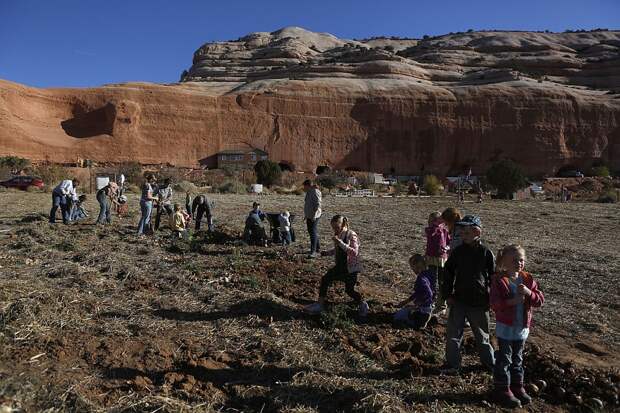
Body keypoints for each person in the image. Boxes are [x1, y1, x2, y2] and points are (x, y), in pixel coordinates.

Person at [490, 245, 544, 408]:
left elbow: (539, 301)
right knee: (505, 358)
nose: (519, 263)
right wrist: (511, 302)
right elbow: (494, 304)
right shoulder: (499, 280)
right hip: (505, 328)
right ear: (504, 262)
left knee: (517, 359)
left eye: (521, 260)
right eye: (514, 260)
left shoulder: (528, 279)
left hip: (521, 329)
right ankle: (503, 389)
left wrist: (529, 292)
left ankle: (517, 387)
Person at [441, 215, 495, 374]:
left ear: (477, 232)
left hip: (480, 301)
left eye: (466, 231)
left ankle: (489, 363)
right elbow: (448, 273)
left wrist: (493, 299)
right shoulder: (457, 252)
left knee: (482, 336)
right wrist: (447, 294)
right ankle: (453, 364)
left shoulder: (485, 253)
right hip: (458, 299)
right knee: (453, 334)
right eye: (461, 231)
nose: (462, 234)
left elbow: (493, 277)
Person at [305, 215, 369, 318]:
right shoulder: (339, 234)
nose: (335, 230)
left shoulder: (351, 235)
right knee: (325, 279)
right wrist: (328, 253)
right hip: (340, 267)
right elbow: (338, 249)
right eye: (333, 227)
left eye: (336, 227)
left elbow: (354, 252)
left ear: (343, 224)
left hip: (350, 268)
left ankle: (363, 304)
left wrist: (339, 242)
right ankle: (320, 305)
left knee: (349, 290)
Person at [393, 254, 435, 329]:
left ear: (417, 267)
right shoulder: (429, 274)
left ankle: (417, 322)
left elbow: (429, 293)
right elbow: (419, 293)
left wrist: (417, 305)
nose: (413, 271)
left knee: (397, 316)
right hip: (428, 308)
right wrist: (406, 301)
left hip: (422, 311)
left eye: (413, 268)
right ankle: (421, 321)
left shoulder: (421, 279)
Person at [425, 211, 450, 314]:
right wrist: (436, 225)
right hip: (432, 259)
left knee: (442, 282)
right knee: (432, 281)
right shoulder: (431, 230)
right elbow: (431, 233)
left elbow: (449, 242)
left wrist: (446, 248)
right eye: (439, 219)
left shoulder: (445, 231)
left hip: (442, 259)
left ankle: (442, 305)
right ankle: (431, 302)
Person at [303, 179, 322, 258]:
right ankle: (317, 248)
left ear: (308, 185)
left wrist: (314, 215)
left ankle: (313, 251)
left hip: (314, 216)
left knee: (312, 232)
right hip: (309, 215)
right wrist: (306, 215)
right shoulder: (309, 192)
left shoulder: (315, 191)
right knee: (312, 231)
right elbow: (308, 204)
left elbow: (318, 204)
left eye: (304, 186)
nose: (304, 188)